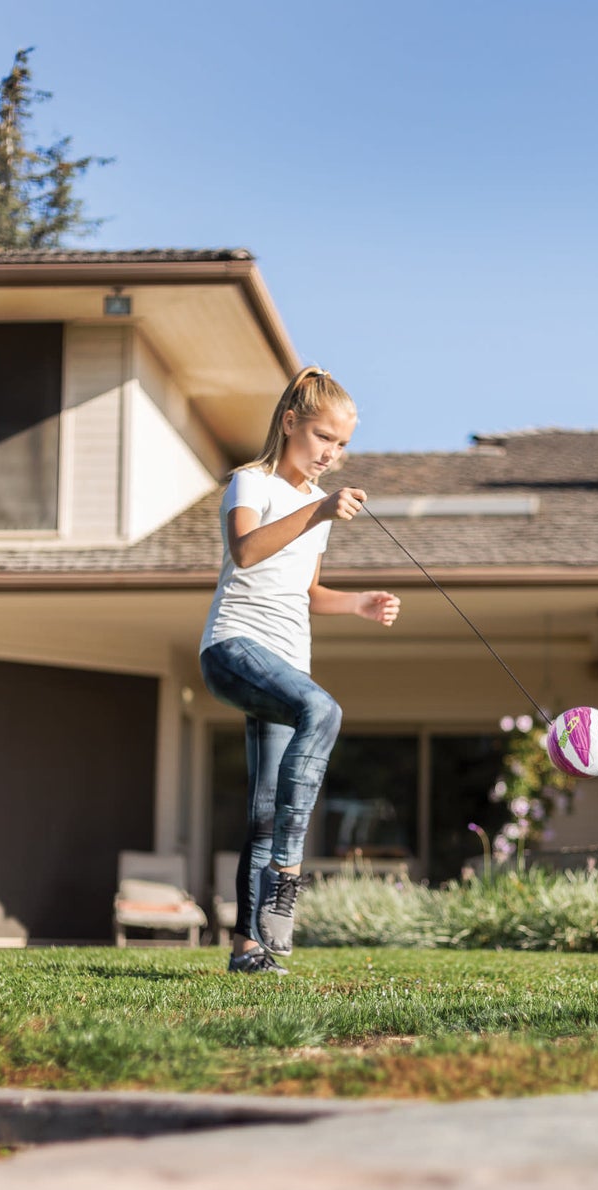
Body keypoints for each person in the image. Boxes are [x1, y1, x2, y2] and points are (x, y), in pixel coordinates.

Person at [199, 366, 401, 974]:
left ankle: (248, 949)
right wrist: (317, 515)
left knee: (262, 810)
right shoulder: (250, 482)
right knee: (323, 708)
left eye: (341, 445)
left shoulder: (316, 505)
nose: (331, 455)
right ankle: (290, 869)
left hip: (284, 661)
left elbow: (305, 591)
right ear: (290, 423)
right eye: (322, 438)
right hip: (234, 649)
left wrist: (359, 604)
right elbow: (247, 551)